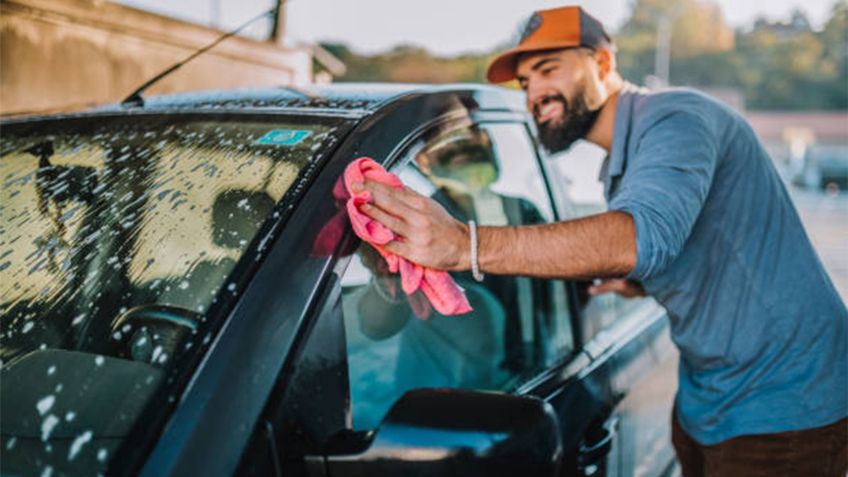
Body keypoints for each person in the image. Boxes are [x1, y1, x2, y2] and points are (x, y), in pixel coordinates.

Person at [352, 5, 848, 477]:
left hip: (785, 402)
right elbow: (698, 246)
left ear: (604, 62)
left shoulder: (677, 118)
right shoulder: (626, 160)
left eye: (549, 70)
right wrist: (639, 283)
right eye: (526, 83)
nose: (534, 95)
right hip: (706, 397)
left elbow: (639, 238)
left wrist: (463, 244)